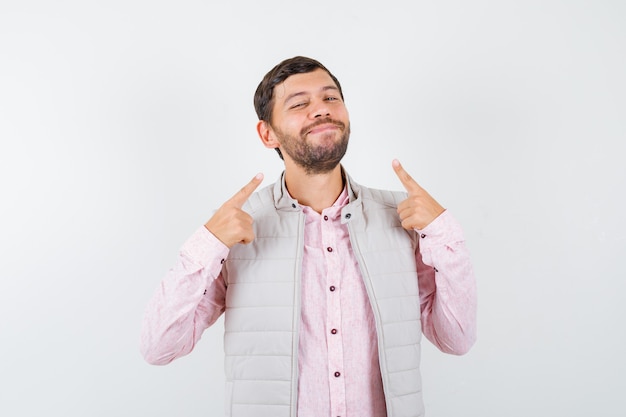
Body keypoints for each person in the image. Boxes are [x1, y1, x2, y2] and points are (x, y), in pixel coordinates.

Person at [140, 56, 477, 417]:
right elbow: (159, 348)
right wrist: (207, 243)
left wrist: (444, 233)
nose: (321, 110)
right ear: (267, 134)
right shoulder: (235, 231)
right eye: (299, 104)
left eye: (331, 98)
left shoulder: (405, 220)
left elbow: (455, 340)